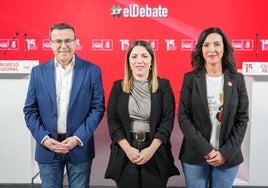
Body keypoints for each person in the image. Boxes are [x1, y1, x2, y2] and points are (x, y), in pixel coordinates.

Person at [23, 23, 105, 188]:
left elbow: (97, 108)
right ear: (50, 43)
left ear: (76, 42)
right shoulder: (38, 72)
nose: (63, 46)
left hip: (79, 147)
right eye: (58, 41)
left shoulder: (92, 71)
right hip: (47, 148)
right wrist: (44, 139)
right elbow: (30, 110)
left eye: (68, 40)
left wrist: (77, 138)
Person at [178, 27, 249, 188]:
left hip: (228, 156)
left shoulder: (237, 79)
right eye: (206, 45)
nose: (212, 49)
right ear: (201, 49)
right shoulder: (190, 79)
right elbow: (184, 117)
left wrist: (224, 153)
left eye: (217, 44)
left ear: (224, 48)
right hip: (196, 154)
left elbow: (242, 119)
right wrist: (206, 150)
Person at [104, 40, 180, 188]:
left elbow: (167, 121)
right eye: (134, 56)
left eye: (145, 56)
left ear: (151, 61)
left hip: (155, 150)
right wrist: (128, 149)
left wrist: (150, 150)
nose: (139, 61)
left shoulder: (164, 86)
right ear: (128, 62)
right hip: (126, 150)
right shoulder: (118, 87)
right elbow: (113, 121)